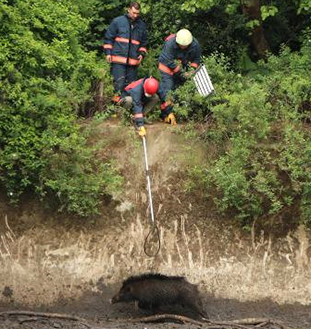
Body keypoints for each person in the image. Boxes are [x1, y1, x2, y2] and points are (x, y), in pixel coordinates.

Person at [103, 2, 148, 103]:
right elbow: (108, 38)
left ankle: (127, 110)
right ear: (128, 10)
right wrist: (108, 53)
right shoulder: (118, 21)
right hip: (118, 61)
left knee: (131, 86)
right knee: (118, 85)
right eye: (133, 13)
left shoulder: (142, 25)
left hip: (133, 63)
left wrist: (142, 54)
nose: (135, 15)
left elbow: (144, 43)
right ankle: (115, 109)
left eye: (137, 13)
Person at [158, 29, 202, 123]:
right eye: (181, 45)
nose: (182, 47)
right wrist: (182, 73)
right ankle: (166, 114)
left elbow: (196, 59)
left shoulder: (195, 45)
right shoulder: (170, 43)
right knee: (168, 90)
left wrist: (191, 70)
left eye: (185, 46)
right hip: (167, 69)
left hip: (182, 70)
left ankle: (179, 113)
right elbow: (169, 61)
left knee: (180, 91)